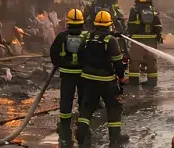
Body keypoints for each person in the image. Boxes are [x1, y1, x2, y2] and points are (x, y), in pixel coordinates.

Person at [78, 10, 128, 147]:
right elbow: (118, 62)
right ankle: (114, 139)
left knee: (87, 107)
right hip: (106, 81)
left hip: (88, 79)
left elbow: (80, 55)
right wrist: (122, 78)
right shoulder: (110, 41)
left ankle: (81, 135)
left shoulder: (87, 37)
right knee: (114, 107)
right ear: (109, 24)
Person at [51, 9, 87, 148]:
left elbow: (53, 52)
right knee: (84, 98)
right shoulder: (87, 36)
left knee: (66, 98)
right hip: (84, 74)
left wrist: (59, 63)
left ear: (68, 22)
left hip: (67, 73)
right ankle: (83, 123)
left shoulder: (62, 36)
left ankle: (65, 124)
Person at [126, 0, 162, 88]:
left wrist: (129, 34)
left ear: (137, 0)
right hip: (151, 41)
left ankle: (133, 82)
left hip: (137, 41)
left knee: (134, 62)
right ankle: (152, 82)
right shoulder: (153, 10)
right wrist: (158, 36)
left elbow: (130, 26)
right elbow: (158, 26)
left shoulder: (134, 10)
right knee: (151, 62)